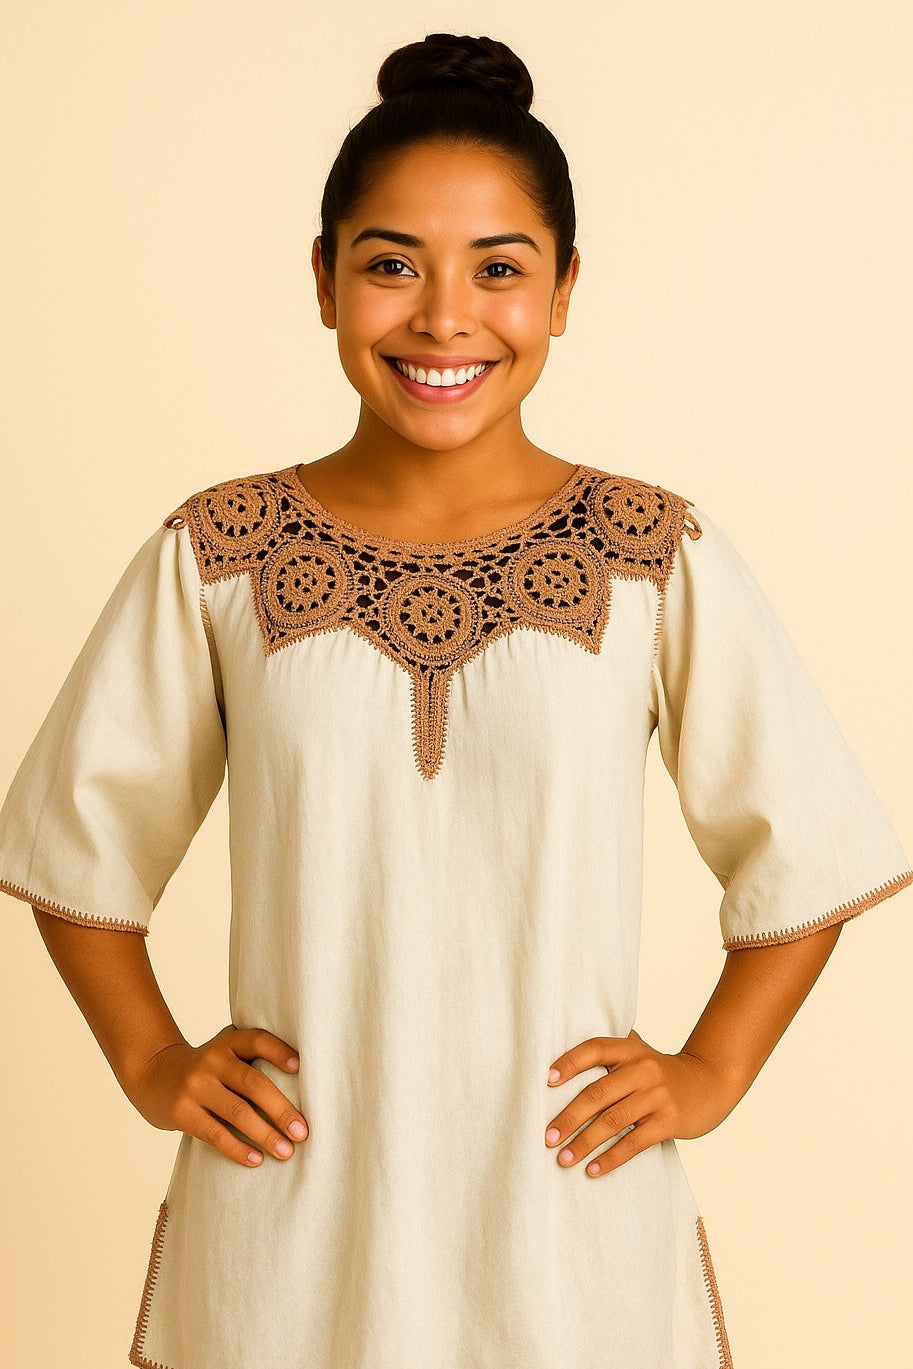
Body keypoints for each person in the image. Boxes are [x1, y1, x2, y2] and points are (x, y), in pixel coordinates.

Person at [0, 29, 910, 1369]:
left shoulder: (650, 554)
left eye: (498, 267)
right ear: (322, 279)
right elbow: (76, 840)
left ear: (564, 289)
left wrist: (711, 1068)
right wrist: (150, 1061)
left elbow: (809, 839)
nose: (442, 317)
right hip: (291, 1223)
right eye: (389, 265)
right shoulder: (219, 553)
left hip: (564, 1228)